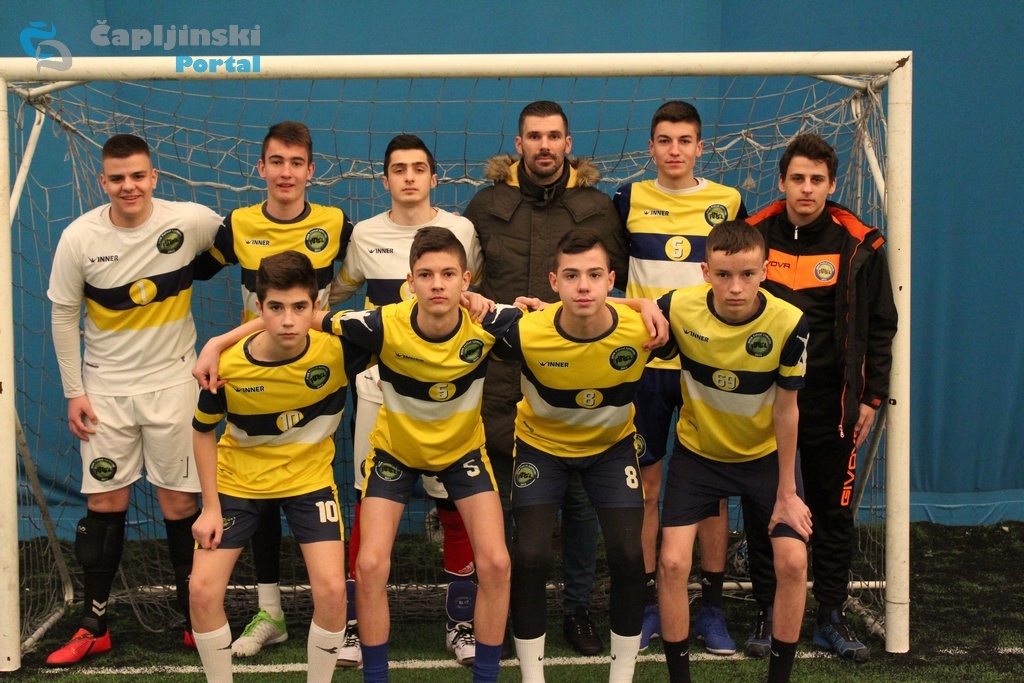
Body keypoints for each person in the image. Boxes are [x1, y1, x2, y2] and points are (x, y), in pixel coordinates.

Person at [45, 133, 223, 665]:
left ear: (154, 177)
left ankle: (195, 621)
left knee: (180, 505)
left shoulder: (189, 221)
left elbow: (244, 244)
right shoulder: (79, 238)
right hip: (106, 393)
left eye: (138, 176)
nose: (130, 186)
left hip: (175, 386)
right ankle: (93, 624)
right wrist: (74, 391)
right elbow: (62, 315)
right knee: (104, 503)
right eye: (118, 178)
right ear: (103, 181)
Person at [465, 100, 630, 655]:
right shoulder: (486, 205)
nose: (544, 146)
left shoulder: (597, 207)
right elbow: (468, 283)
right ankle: (510, 609)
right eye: (533, 136)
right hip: (503, 377)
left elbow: (615, 284)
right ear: (518, 144)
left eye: (553, 136)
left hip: (580, 377)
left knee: (581, 505)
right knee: (509, 504)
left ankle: (577, 609)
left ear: (567, 143)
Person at [195, 121, 354, 658]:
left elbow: (363, 270)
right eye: (277, 162)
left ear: (312, 170)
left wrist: (329, 316)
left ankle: (338, 609)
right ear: (261, 168)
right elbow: (195, 269)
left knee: (307, 472)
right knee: (255, 489)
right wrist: (221, 342)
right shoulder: (238, 224)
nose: (286, 173)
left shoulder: (335, 223)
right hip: (251, 369)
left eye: (296, 163)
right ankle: (271, 611)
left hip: (312, 366)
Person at [327, 134, 484, 667]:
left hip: (446, 393)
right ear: (386, 179)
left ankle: (461, 622)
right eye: (399, 169)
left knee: (453, 508)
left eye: (419, 168)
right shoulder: (365, 234)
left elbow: (473, 295)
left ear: (435, 177)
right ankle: (354, 627)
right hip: (380, 392)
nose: (410, 177)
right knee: (367, 508)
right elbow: (338, 292)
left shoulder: (461, 230)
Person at [741, 133, 897, 662]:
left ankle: (830, 613)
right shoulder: (755, 233)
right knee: (767, 507)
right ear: (781, 181)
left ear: (831, 185)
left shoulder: (860, 242)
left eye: (817, 180)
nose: (806, 189)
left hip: (834, 404)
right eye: (797, 179)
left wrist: (871, 398)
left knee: (834, 513)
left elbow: (881, 325)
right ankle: (768, 610)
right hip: (765, 402)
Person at [190, 250, 367, 683]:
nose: (288, 321)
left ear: (316, 306)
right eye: (276, 308)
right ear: (258, 307)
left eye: (299, 307)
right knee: (202, 590)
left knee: (332, 591)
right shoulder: (227, 365)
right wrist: (209, 507)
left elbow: (406, 325)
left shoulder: (340, 349)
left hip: (309, 481)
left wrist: (471, 302)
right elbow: (202, 432)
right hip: (238, 483)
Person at [502, 229, 669, 683]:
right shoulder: (525, 329)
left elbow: (700, 309)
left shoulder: (643, 328)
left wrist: (644, 303)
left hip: (611, 450)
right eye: (572, 276)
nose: (583, 286)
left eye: (595, 275)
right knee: (531, 556)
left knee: (629, 555)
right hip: (541, 448)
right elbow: (460, 314)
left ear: (611, 281)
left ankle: (622, 676)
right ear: (553, 282)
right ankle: (532, 677)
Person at [612, 100, 748, 654]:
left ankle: (711, 608)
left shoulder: (728, 201)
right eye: (664, 140)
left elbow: (741, 277)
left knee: (710, 493)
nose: (674, 150)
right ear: (651, 147)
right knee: (646, 488)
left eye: (684, 140)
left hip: (705, 368)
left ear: (700, 147)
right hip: (645, 369)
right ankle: (649, 604)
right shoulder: (627, 199)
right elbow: (608, 277)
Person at [655, 220, 811, 683]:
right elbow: (621, 309)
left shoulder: (789, 323)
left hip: (765, 459)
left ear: (765, 270)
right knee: (673, 563)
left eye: (747, 274)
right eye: (723, 275)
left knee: (793, 562)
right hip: (699, 456)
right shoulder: (680, 307)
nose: (736, 287)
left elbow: (787, 409)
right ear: (705, 272)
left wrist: (787, 491)